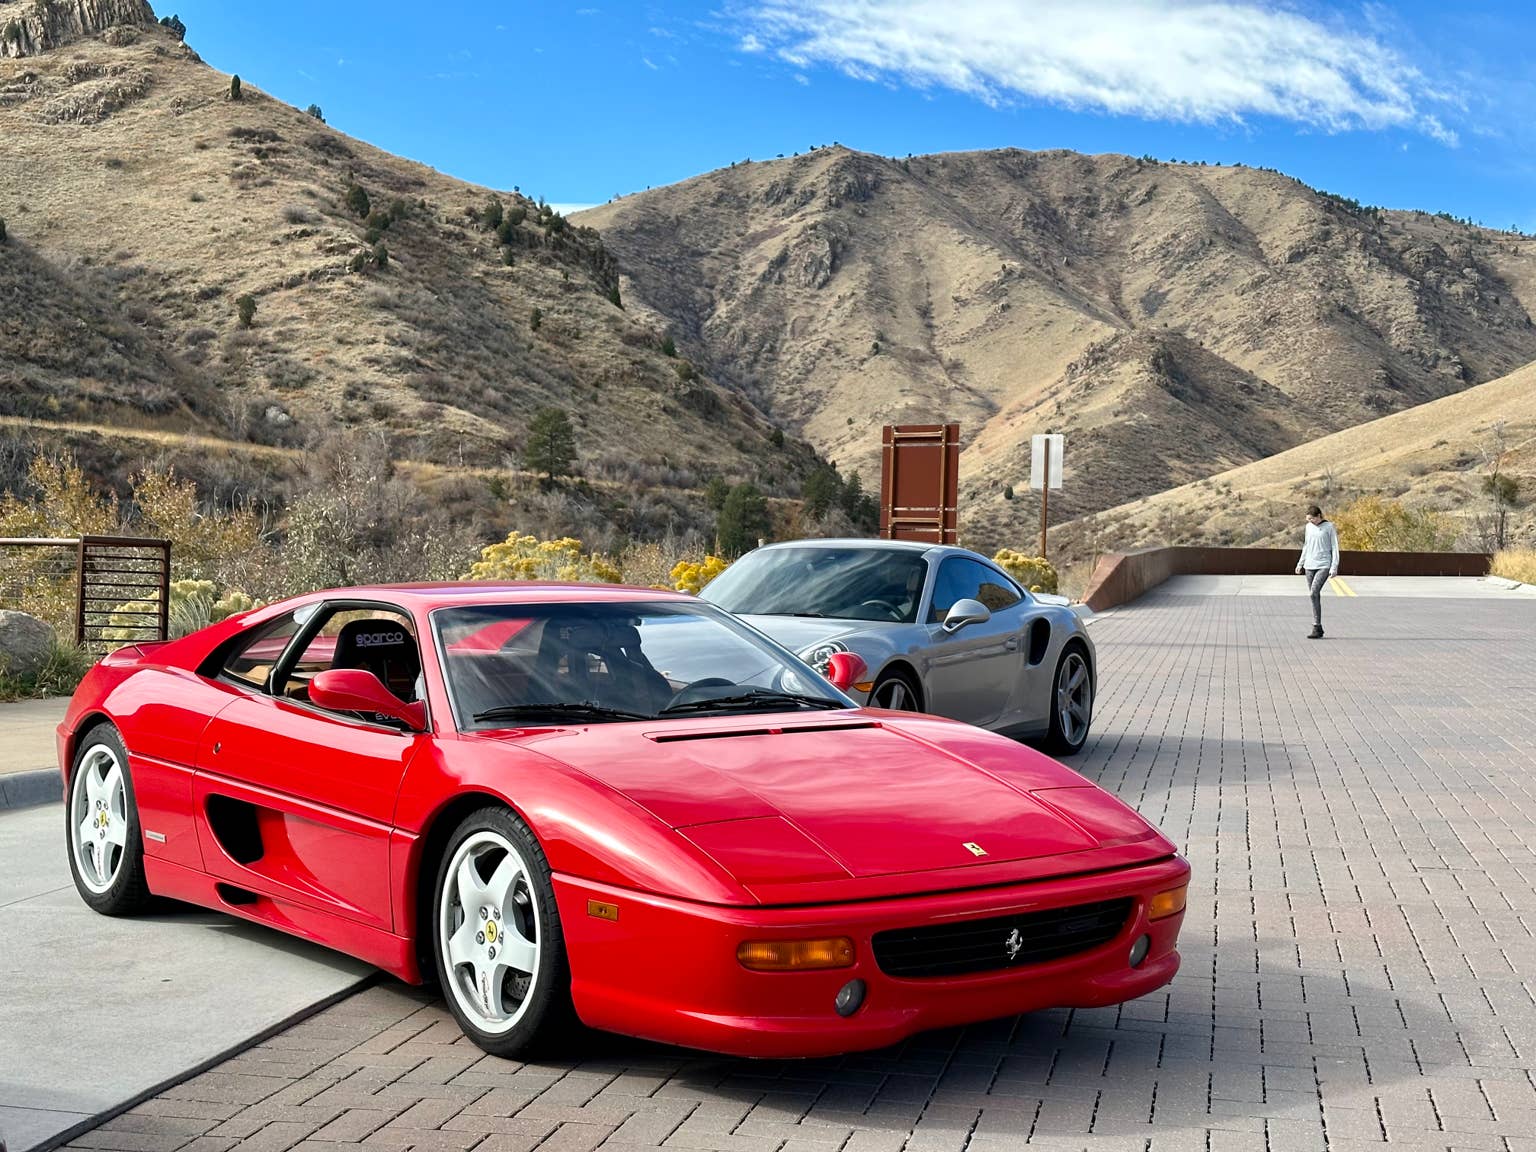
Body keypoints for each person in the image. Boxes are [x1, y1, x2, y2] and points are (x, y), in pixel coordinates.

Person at [1295, 504, 1339, 638]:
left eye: (1312, 519)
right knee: (1314, 596)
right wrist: (1300, 563)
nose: (1310, 522)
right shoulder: (1309, 527)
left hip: (1323, 564)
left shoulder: (1329, 527)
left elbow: (1334, 547)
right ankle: (1317, 626)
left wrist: (1334, 566)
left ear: (1319, 516)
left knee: (1314, 592)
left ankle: (1316, 626)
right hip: (1309, 565)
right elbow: (1306, 545)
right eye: (1308, 520)